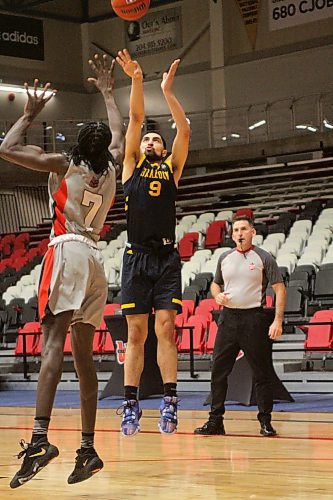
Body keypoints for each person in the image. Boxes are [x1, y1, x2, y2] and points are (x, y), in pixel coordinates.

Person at [0, 54, 124, 487]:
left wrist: (28, 114)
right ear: (104, 145)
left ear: (76, 145)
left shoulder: (63, 165)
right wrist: (109, 92)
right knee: (85, 357)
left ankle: (39, 439)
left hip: (69, 249)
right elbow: (121, 135)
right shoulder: (111, 169)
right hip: (96, 260)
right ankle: (88, 448)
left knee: (52, 346)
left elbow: (7, 149)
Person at [115, 49, 190, 436]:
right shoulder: (131, 166)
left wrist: (167, 90)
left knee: (166, 328)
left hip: (166, 257)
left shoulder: (171, 168)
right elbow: (135, 118)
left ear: (162, 149)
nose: (149, 141)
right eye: (146, 138)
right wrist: (138, 80)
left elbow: (185, 130)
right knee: (136, 334)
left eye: (155, 140)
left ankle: (170, 399)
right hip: (136, 257)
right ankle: (130, 403)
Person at [194, 215, 286, 437]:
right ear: (232, 234)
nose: (239, 233)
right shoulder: (225, 257)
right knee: (218, 371)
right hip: (228, 319)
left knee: (261, 373)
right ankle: (215, 420)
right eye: (236, 230)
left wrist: (278, 320)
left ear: (252, 232)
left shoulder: (264, 257)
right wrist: (217, 296)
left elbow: (280, 289)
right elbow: (216, 285)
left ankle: (265, 421)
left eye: (244, 229)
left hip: (254, 319)